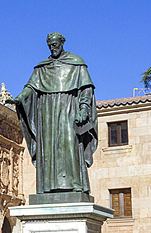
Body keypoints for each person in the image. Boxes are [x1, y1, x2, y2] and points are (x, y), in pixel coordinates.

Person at [6, 32, 97, 196]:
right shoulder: (43, 67)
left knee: (70, 143)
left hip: (69, 109)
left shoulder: (76, 63)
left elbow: (86, 90)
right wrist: (19, 98)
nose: (52, 48)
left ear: (62, 43)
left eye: (55, 44)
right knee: (48, 147)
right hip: (47, 113)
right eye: (49, 45)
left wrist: (83, 109)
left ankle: (75, 184)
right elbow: (31, 88)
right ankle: (47, 187)